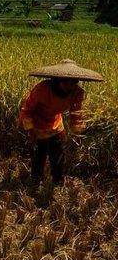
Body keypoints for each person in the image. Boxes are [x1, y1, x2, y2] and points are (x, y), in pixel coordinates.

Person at [19, 58, 103, 187]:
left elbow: (76, 113)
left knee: (58, 155)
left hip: (55, 124)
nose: (72, 86)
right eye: (69, 83)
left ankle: (57, 182)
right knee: (39, 155)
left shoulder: (76, 92)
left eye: (74, 82)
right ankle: (35, 181)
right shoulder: (42, 89)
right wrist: (30, 130)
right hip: (37, 125)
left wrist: (77, 133)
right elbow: (27, 109)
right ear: (59, 81)